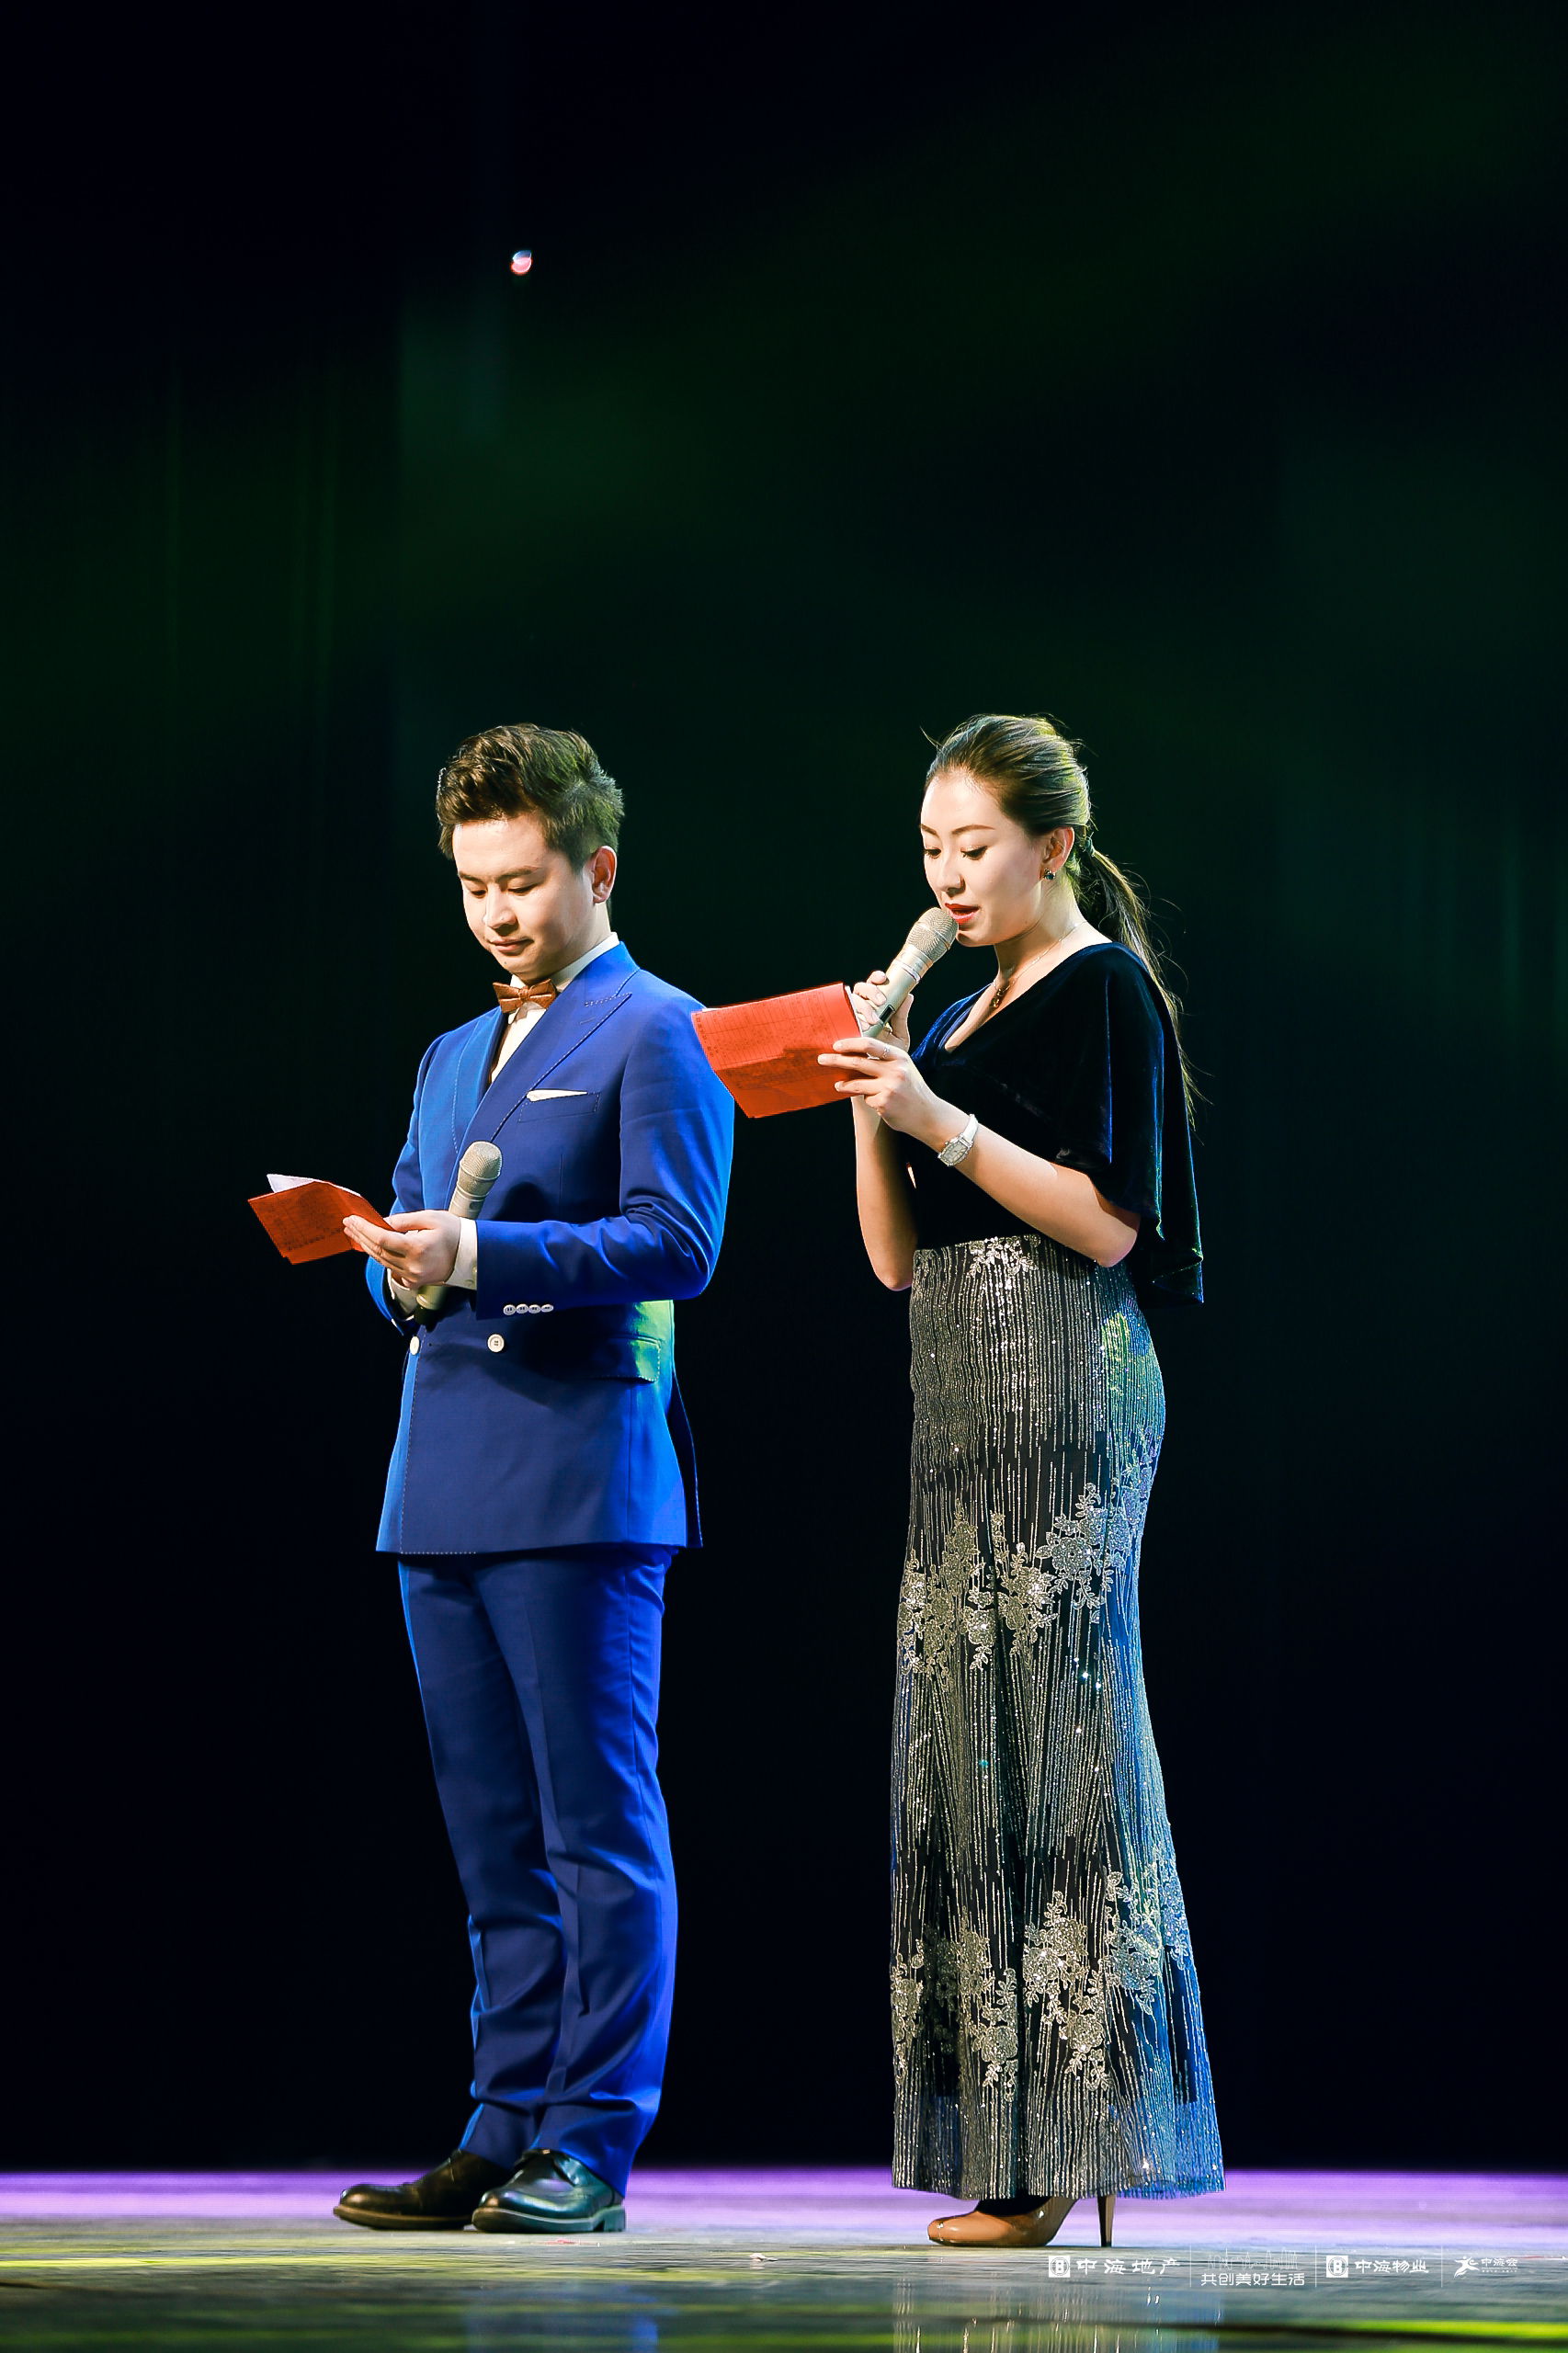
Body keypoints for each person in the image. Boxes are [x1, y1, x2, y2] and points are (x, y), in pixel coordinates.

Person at [820, 713, 1222, 2249]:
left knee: (1061, 1739)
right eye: (930, 849)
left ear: (1051, 846)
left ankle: (1080, 2132)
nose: (948, 875)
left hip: (1066, 1376)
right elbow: (889, 1258)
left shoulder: (1099, 988)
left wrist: (937, 1116)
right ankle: (1002, 2136)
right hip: (956, 1388)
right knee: (962, 1749)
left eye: (973, 846)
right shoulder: (955, 1012)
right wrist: (873, 1105)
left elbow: (1109, 1224)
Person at [332, 724, 733, 2236]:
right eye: (473, 886)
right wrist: (393, 1265)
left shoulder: (660, 1028)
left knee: (595, 1830)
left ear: (595, 868)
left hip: (577, 1476)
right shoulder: (452, 1053)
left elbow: (677, 1242)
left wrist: (482, 1250)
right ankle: (500, 2125)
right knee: (493, 1838)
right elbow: (407, 1230)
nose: (496, 911)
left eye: (521, 881)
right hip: (440, 1473)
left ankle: (591, 2141)